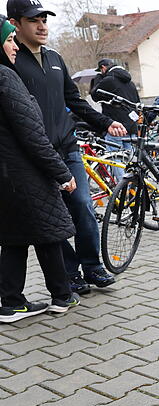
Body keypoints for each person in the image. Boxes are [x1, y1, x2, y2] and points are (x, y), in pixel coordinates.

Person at [7, 0, 121, 295]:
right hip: (34, 155)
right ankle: (69, 273)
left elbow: (75, 100)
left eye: (44, 18)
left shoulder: (56, 58)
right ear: (15, 23)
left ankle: (92, 265)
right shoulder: (10, 61)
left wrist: (104, 122)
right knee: (52, 216)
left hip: (67, 147)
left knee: (83, 204)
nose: (42, 25)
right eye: (34, 20)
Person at [0, 15, 80, 323]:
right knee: (48, 232)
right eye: (9, 40)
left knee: (14, 237)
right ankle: (62, 296)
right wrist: (62, 172)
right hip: (25, 173)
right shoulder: (6, 78)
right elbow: (32, 135)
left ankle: (10, 302)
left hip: (5, 177)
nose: (15, 47)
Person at [91, 58, 140, 178]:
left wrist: (98, 80)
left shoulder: (108, 80)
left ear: (103, 68)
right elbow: (137, 101)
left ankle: (122, 189)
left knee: (115, 158)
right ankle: (133, 186)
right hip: (131, 125)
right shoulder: (130, 82)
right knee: (130, 159)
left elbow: (94, 95)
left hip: (116, 125)